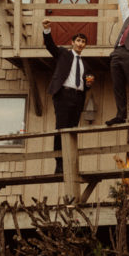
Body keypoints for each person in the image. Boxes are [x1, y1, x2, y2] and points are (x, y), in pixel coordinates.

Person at [42, 19, 93, 173]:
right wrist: (47, 30)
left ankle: (68, 161)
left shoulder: (85, 63)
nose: (80, 44)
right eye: (78, 40)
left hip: (78, 97)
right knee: (61, 128)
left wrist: (89, 82)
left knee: (72, 129)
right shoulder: (64, 54)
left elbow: (88, 80)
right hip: (63, 94)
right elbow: (50, 46)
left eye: (83, 42)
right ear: (72, 42)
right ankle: (59, 162)